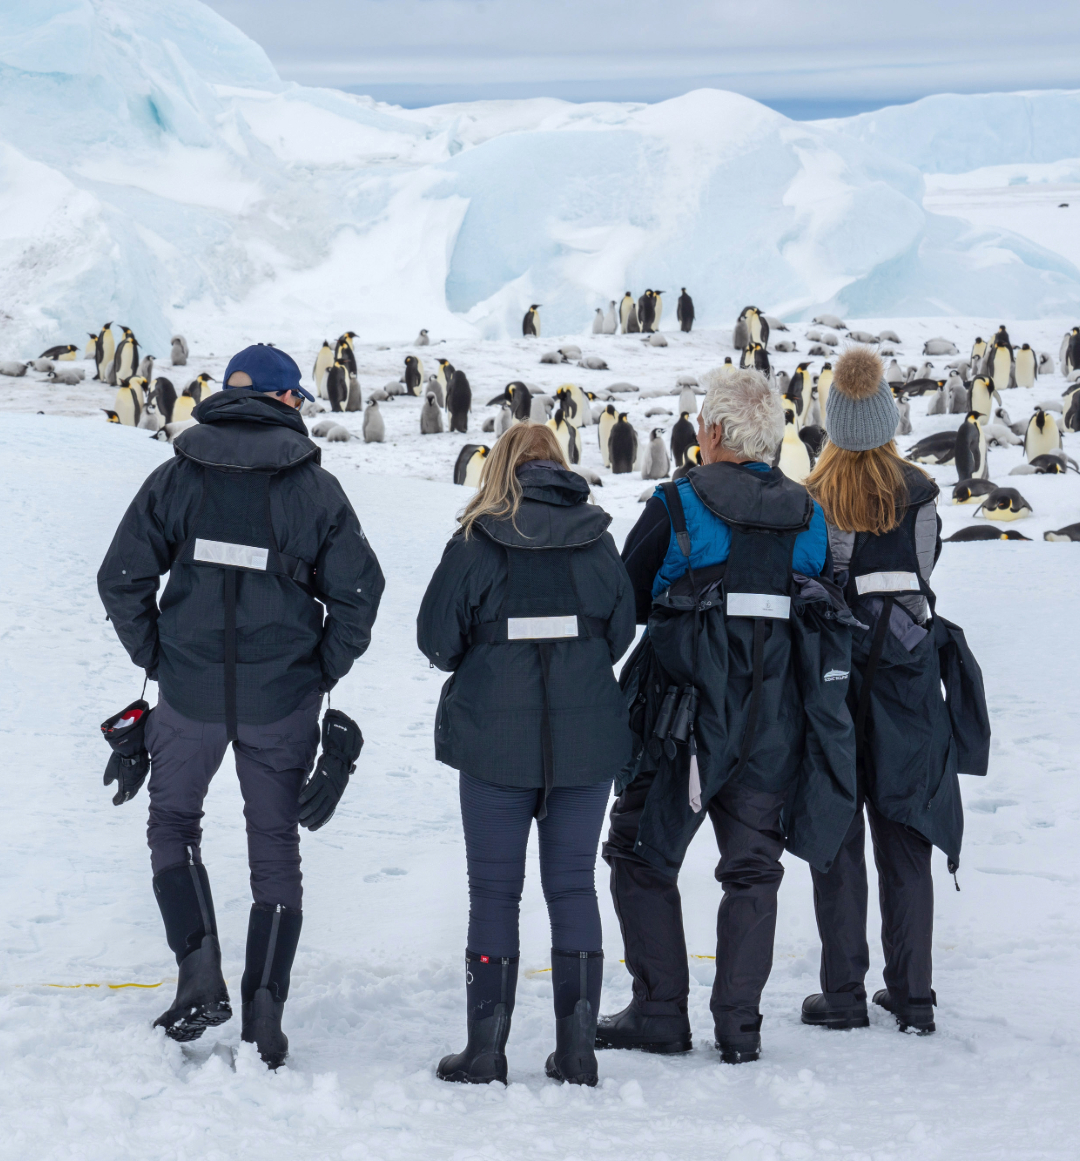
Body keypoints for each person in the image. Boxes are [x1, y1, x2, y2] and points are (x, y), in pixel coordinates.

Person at [97, 344, 384, 1067]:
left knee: (173, 824)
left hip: (188, 696)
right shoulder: (314, 490)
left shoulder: (176, 476)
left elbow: (120, 577)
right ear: (287, 400)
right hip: (280, 699)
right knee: (275, 848)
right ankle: (265, 1016)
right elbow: (359, 592)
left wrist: (158, 657)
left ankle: (198, 977)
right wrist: (317, 670)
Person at [599, 368, 859, 1064]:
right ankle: (739, 1025)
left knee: (639, 851)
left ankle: (659, 1008)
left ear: (710, 432)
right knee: (753, 869)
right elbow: (831, 599)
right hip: (776, 721)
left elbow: (621, 603)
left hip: (681, 723)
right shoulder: (810, 516)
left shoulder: (678, 504)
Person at [417, 423, 635, 1086]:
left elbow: (436, 638)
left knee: (494, 890)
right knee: (572, 883)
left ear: (502, 467)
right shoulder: (597, 538)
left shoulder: (476, 539)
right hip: (586, 742)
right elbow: (621, 630)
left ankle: (485, 1049)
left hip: (493, 743)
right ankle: (578, 1050)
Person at [800, 346, 989, 1035]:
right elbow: (924, 570)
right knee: (905, 832)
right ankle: (912, 995)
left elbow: (816, 578)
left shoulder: (815, 498)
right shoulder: (923, 495)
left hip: (836, 680)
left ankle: (843, 993)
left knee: (839, 830)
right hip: (909, 679)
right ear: (884, 417)